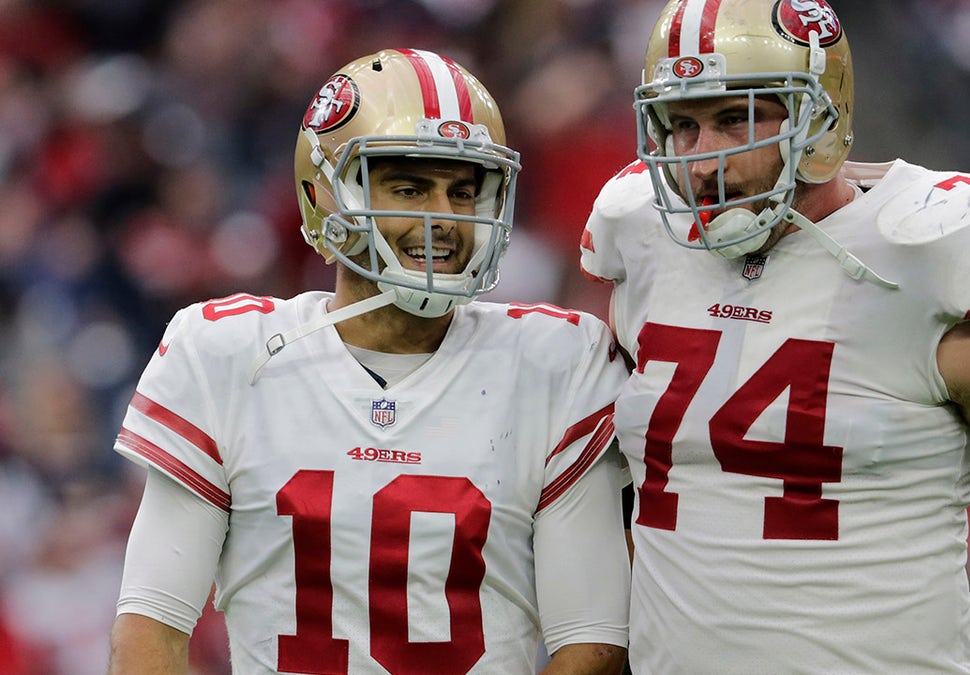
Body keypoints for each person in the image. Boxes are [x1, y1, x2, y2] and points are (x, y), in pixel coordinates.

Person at [579, 1, 970, 673]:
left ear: (820, 114)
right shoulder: (642, 237)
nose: (702, 161)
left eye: (735, 119)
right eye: (682, 124)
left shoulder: (929, 256)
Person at [107, 48, 631, 675]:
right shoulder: (225, 353)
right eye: (408, 188)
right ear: (324, 195)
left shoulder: (557, 361)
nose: (443, 219)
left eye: (463, 191)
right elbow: (149, 633)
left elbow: (594, 644)